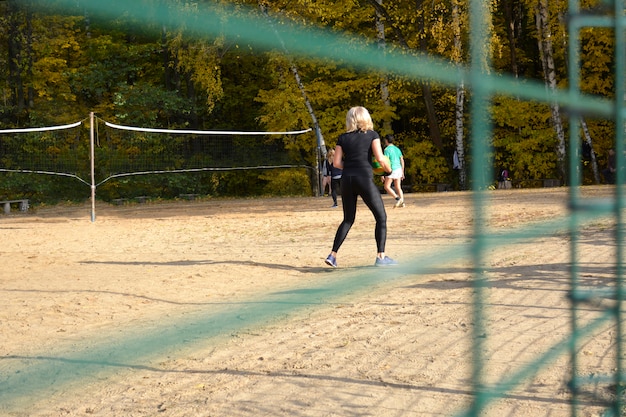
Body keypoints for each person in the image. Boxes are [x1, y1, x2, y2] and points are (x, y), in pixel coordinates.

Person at [325, 106, 397, 268]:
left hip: (346, 180)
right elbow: (379, 157)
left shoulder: (342, 138)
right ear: (366, 118)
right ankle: (381, 256)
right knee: (381, 217)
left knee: (348, 219)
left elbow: (336, 163)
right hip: (364, 178)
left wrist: (351, 168)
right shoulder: (372, 135)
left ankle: (333, 255)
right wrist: (389, 170)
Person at [382, 135, 405, 208]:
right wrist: (402, 171)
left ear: (386, 140)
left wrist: (383, 174)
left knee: (386, 186)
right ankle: (402, 202)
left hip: (392, 169)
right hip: (398, 169)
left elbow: (385, 161)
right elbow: (402, 160)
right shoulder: (397, 149)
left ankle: (398, 199)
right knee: (398, 187)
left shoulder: (387, 150)